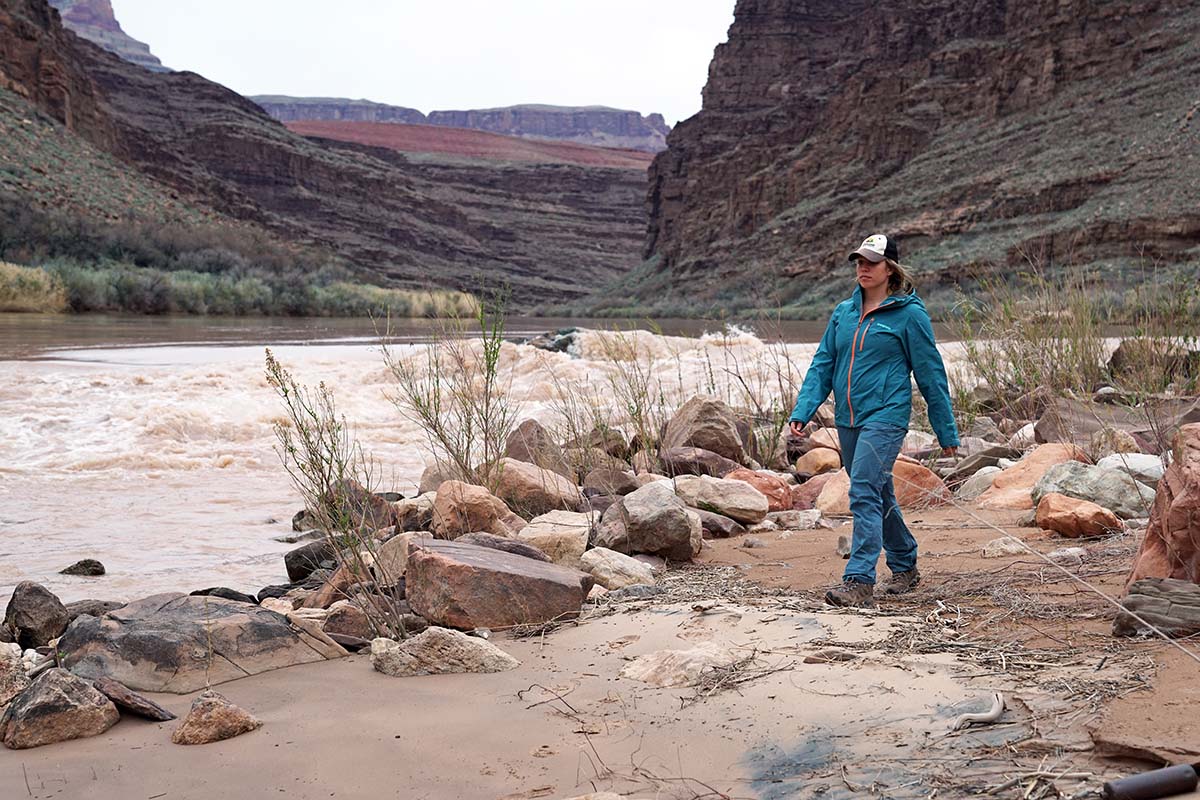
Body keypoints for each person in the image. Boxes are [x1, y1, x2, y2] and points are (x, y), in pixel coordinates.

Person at [788, 234, 959, 608]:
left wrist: (946, 430)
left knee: (863, 488)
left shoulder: (910, 315)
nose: (863, 268)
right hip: (849, 418)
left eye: (871, 262)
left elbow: (931, 374)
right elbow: (823, 365)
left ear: (890, 269)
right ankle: (905, 563)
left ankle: (859, 579)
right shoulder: (843, 313)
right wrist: (803, 410)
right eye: (859, 262)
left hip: (886, 416)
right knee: (878, 492)